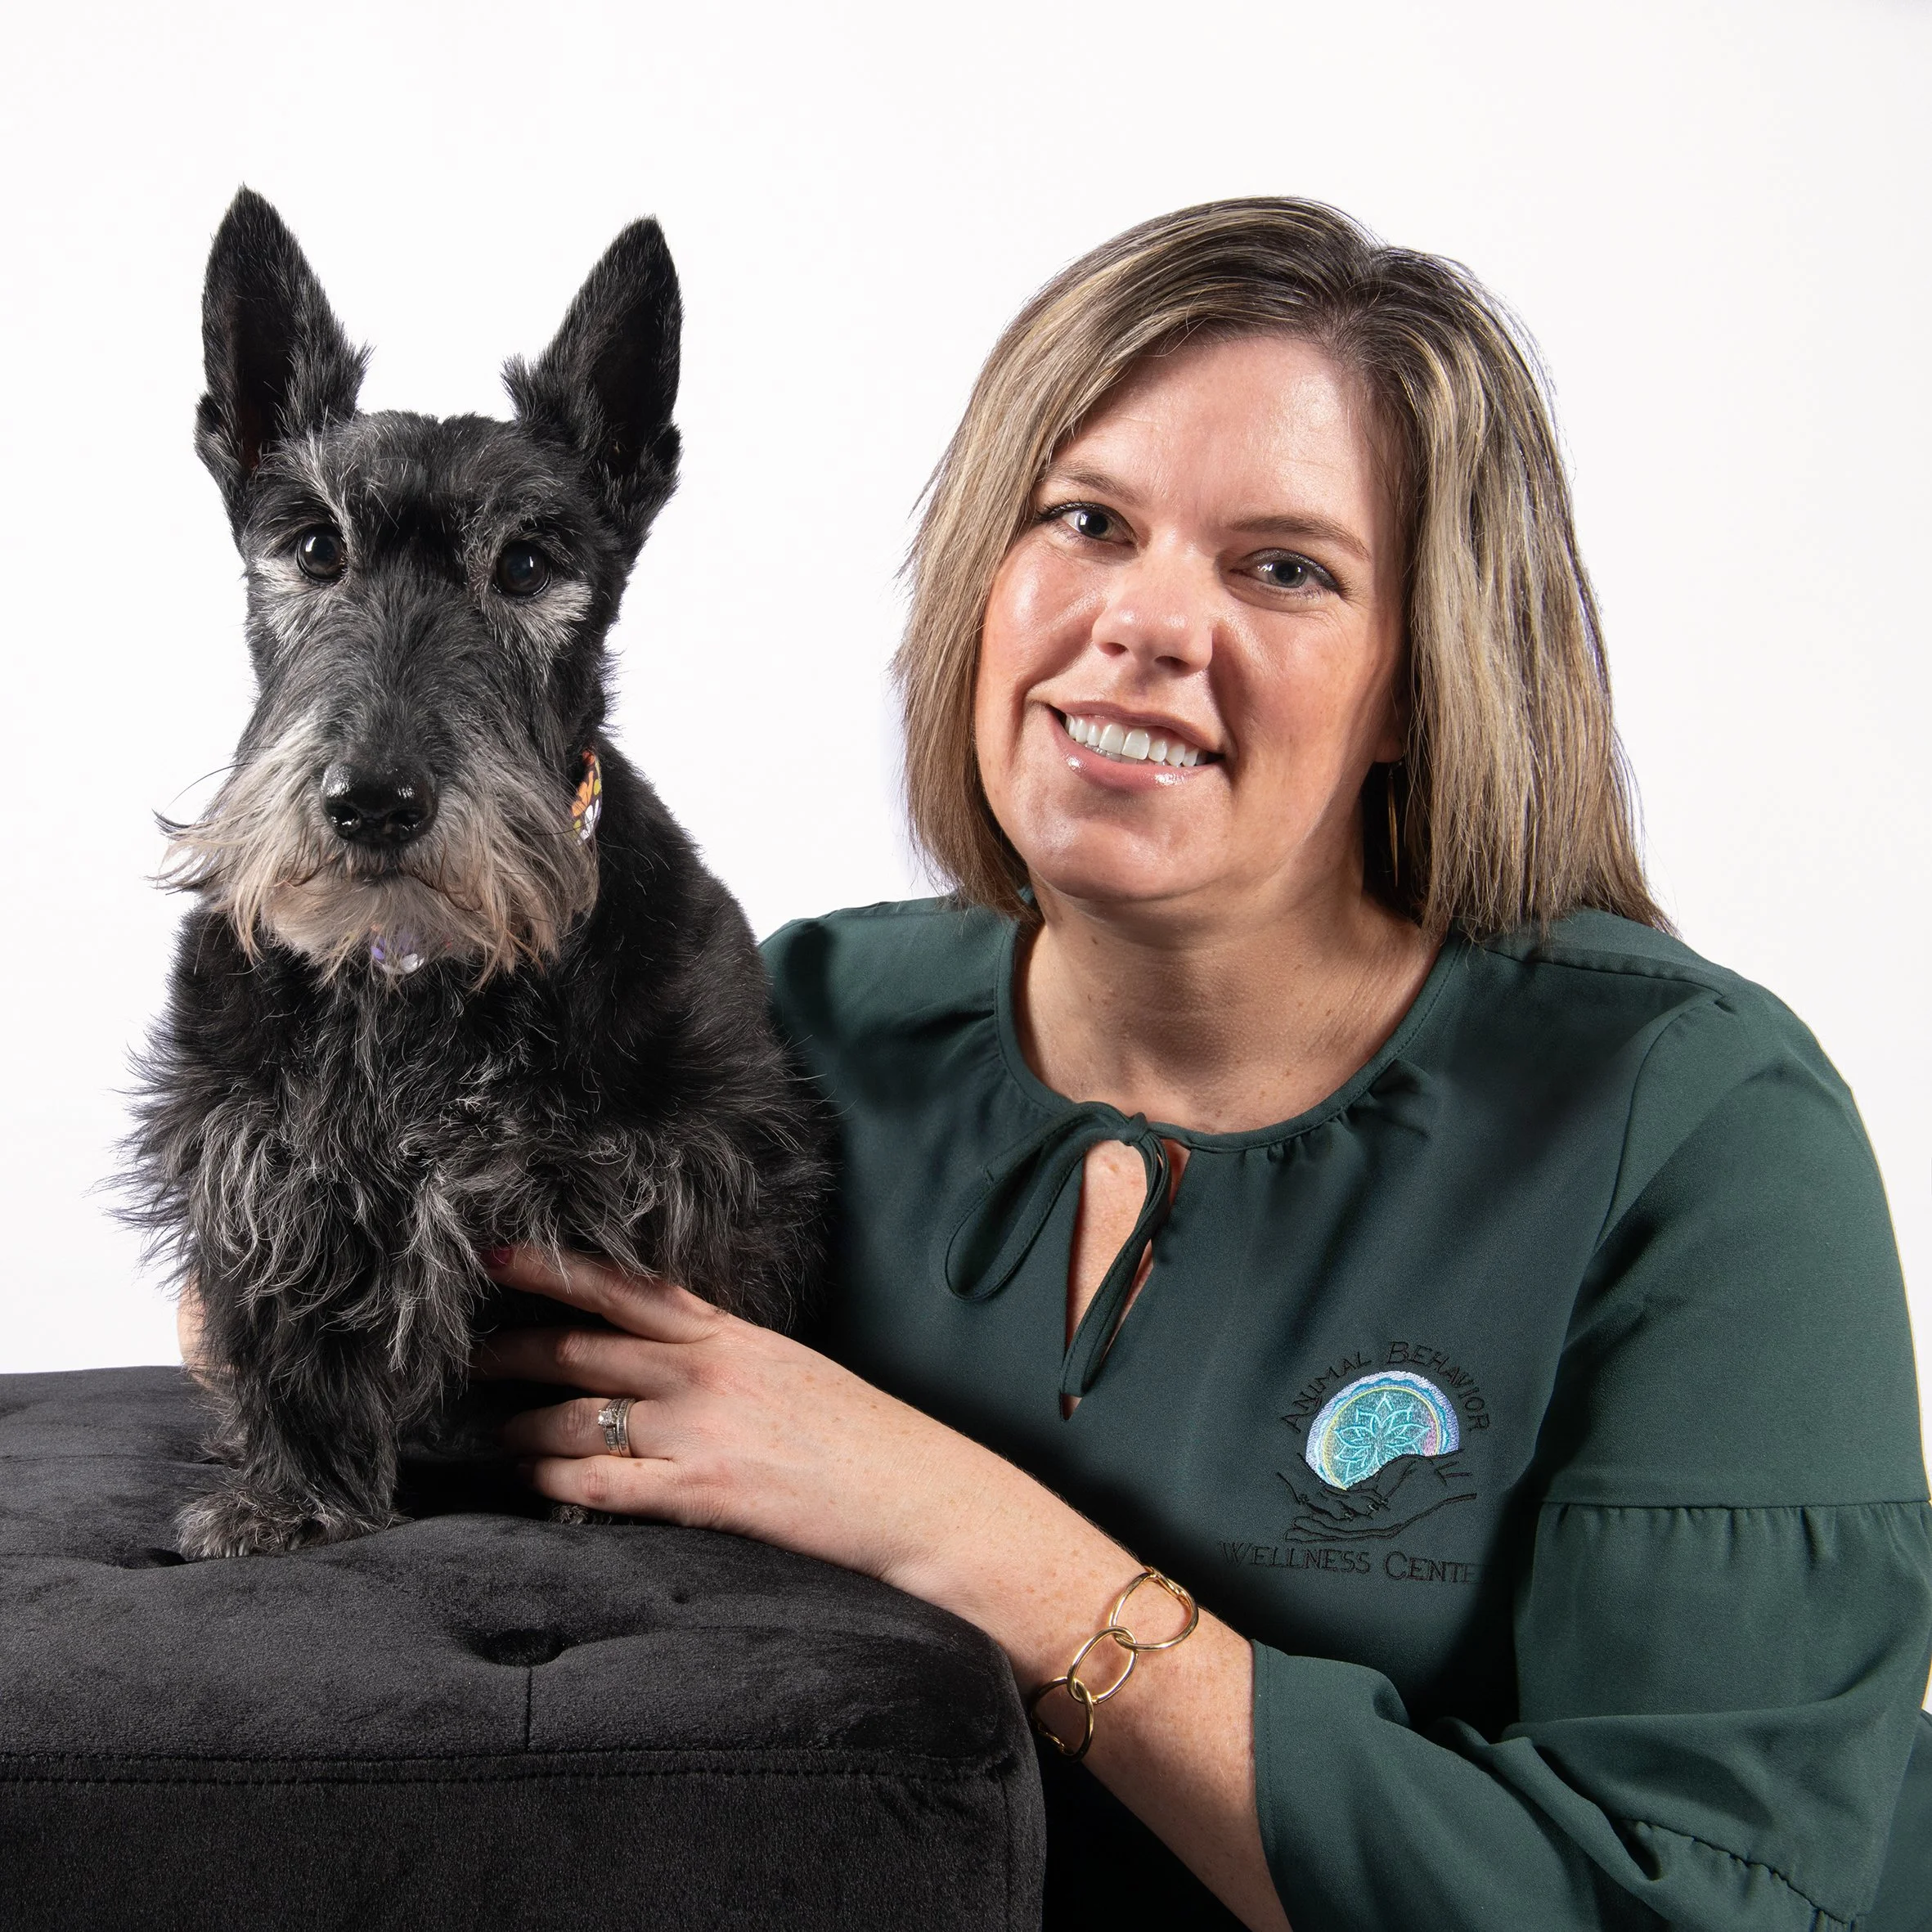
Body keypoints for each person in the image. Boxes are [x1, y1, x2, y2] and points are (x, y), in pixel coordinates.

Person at [480, 199, 1932, 1931]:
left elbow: (1698, 1903)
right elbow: (414, 1346)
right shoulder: (797, 1017)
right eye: (1085, 520)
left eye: (1283, 567)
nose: (1143, 624)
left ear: (1420, 674)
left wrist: (975, 1537)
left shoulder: (1693, 1126)